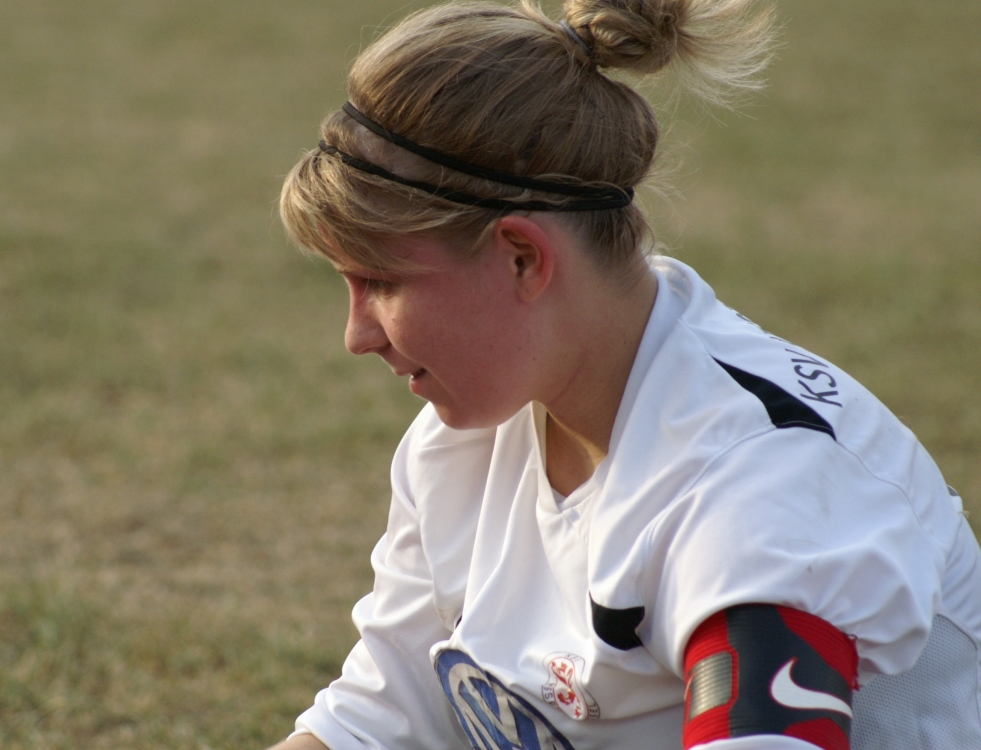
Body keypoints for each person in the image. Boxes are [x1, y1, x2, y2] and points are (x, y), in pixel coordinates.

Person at [271, 0, 981, 748]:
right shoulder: (459, 449)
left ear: (522, 258)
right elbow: (378, 717)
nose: (357, 336)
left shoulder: (759, 486)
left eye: (382, 282)